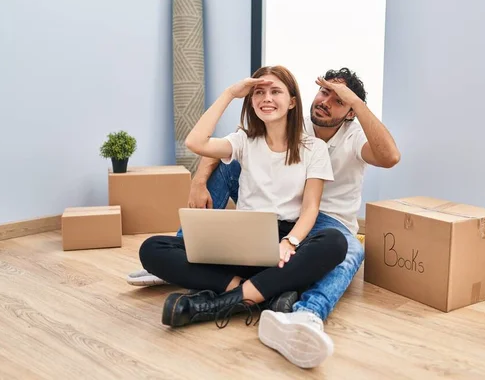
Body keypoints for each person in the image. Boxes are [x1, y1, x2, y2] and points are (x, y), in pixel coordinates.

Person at [130, 67, 400, 369]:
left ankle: (304, 314)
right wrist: (198, 181)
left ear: (350, 112)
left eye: (339, 100)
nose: (326, 101)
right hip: (265, 221)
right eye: (325, 92)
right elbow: (215, 145)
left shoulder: (343, 139)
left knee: (349, 248)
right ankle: (195, 251)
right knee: (157, 243)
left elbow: (389, 158)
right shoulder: (282, 124)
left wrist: (291, 240)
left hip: (322, 221)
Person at [136, 66, 348, 337]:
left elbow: (310, 208)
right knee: (152, 248)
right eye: (259, 93)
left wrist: (290, 242)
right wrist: (230, 94)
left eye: (275, 91)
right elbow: (195, 142)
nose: (266, 98)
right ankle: (266, 294)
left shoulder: (313, 148)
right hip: (243, 241)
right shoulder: (244, 140)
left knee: (335, 242)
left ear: (292, 101)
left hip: (283, 245)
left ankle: (216, 304)